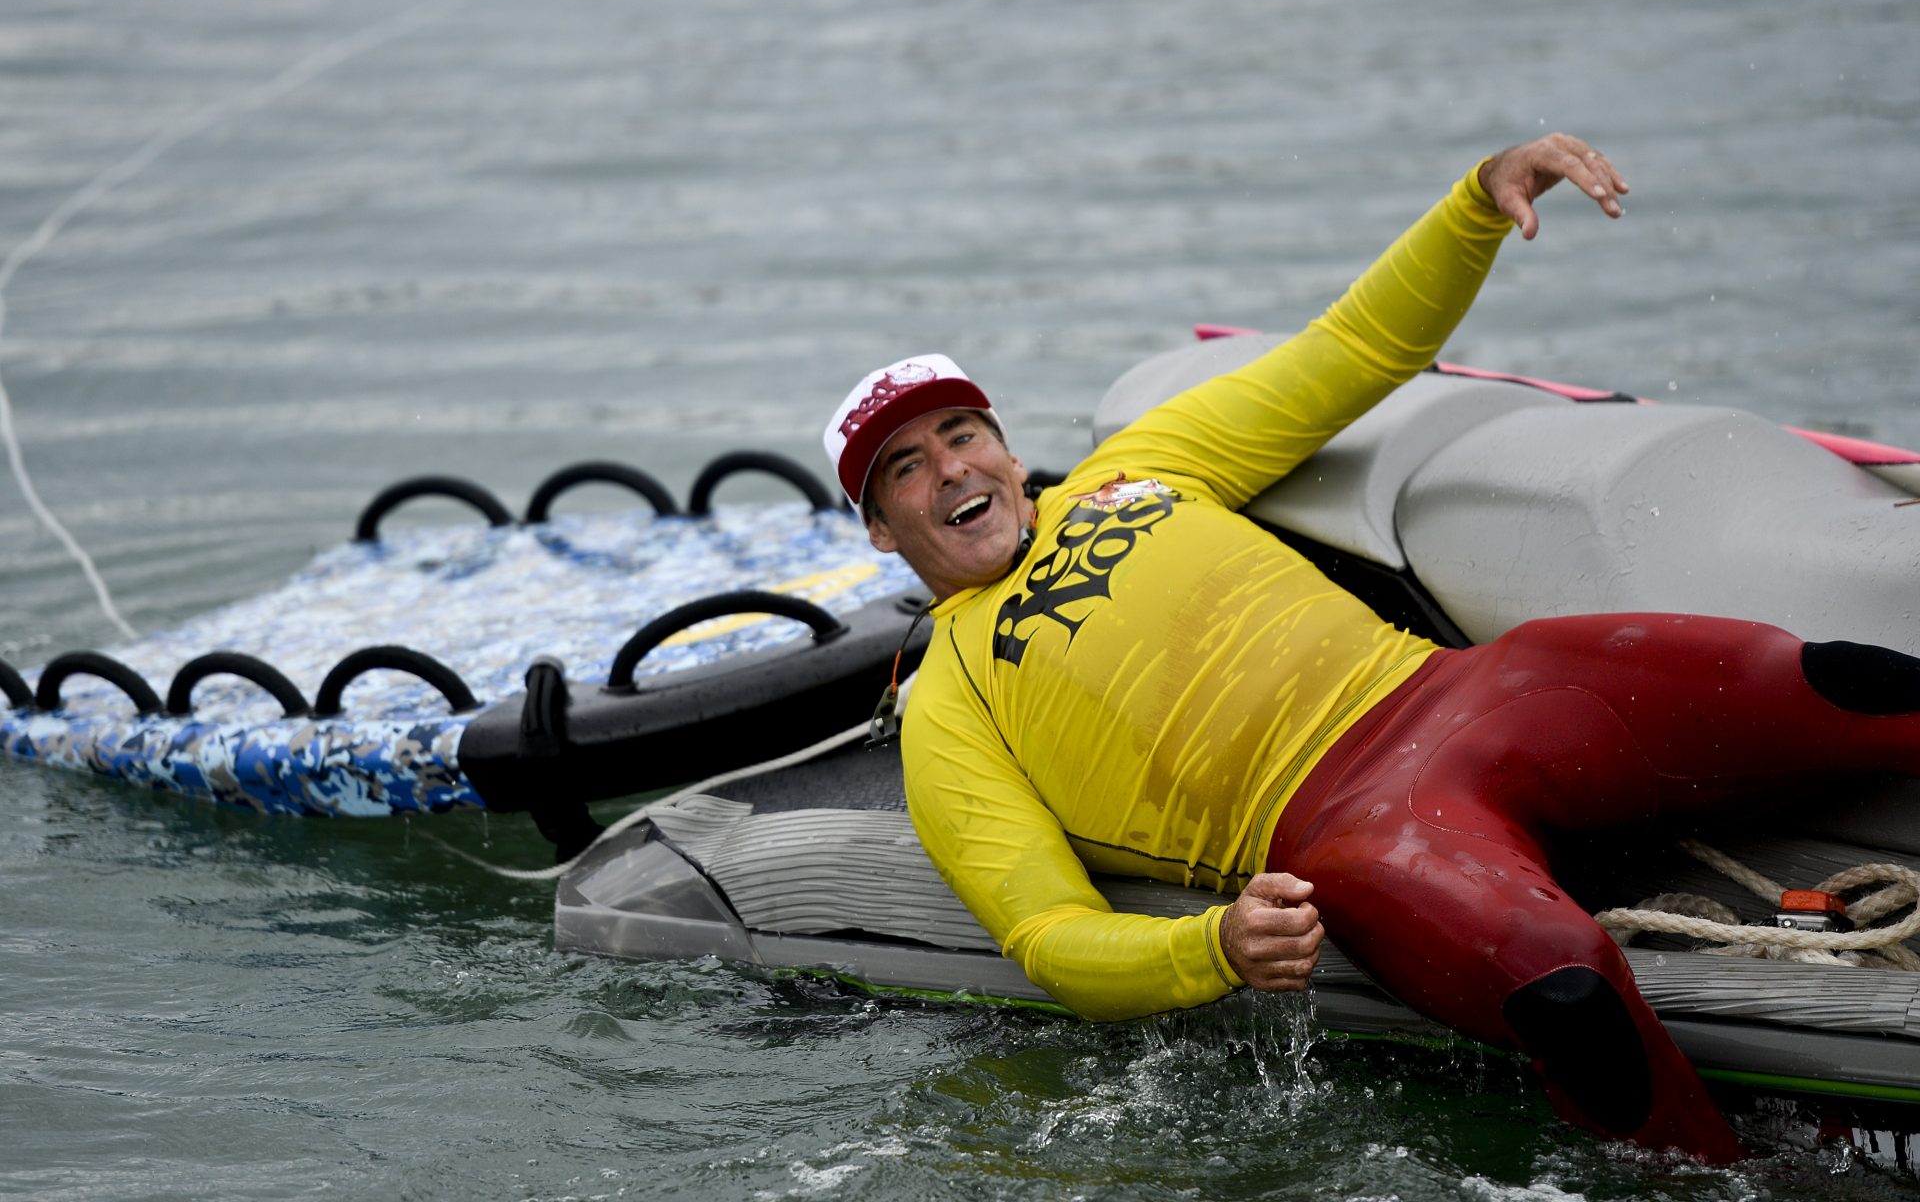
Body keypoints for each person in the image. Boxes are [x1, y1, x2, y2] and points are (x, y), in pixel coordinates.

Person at [818, 133, 1920, 1163]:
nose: (952, 468)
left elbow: (1351, 350)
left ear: (1005, 447)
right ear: (879, 529)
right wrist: (1213, 947)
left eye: (962, 434)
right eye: (906, 467)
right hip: (1353, 827)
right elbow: (1049, 934)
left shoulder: (1137, 467)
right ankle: (1727, 1179)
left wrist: (1476, 202)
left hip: (1474, 688)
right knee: (1567, 991)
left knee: (1839, 680)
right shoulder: (951, 704)